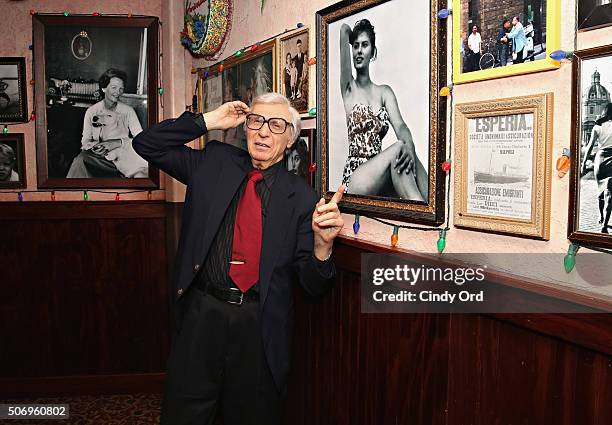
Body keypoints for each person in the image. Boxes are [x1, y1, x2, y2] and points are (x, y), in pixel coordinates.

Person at [132, 92, 344, 425]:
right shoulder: (214, 162)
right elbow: (147, 144)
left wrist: (322, 246)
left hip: (258, 327)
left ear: (290, 138)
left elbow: (314, 287)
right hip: (202, 315)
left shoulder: (302, 198)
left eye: (275, 125)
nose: (263, 132)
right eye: (256, 121)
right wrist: (209, 120)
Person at [339, 19, 427, 200]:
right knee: (399, 148)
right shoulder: (349, 88)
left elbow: (400, 126)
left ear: (373, 52)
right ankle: (422, 210)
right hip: (356, 176)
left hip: (381, 172)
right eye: (356, 46)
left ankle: (429, 206)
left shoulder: (384, 92)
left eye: (365, 45)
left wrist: (410, 146)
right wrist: (352, 36)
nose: (359, 51)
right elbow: (343, 29)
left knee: (407, 150)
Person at [66, 68, 147, 178]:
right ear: (104, 88)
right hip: (100, 158)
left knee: (141, 175)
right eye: (114, 88)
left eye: (121, 89)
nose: (117, 92)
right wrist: (96, 147)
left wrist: (118, 142)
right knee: (79, 161)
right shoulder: (92, 111)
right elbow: (85, 141)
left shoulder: (128, 111)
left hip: (124, 156)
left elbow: (141, 140)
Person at [582, 103, 612, 233]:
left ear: (604, 112)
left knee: (601, 191)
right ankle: (604, 225)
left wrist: (583, 163)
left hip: (600, 160)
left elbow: (589, 147)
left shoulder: (597, 127)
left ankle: (600, 215)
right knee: (610, 194)